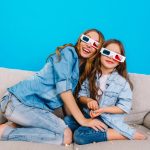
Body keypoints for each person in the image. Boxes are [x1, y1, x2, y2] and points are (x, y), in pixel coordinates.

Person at [0, 29, 108, 145]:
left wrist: (72, 123)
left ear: (98, 51)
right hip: (17, 102)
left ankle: (15, 125)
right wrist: (83, 121)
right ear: (80, 40)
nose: (89, 45)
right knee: (65, 135)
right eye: (86, 39)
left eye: (95, 44)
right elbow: (64, 92)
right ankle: (4, 132)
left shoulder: (79, 70)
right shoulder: (68, 53)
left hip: (32, 109)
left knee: (66, 132)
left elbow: (67, 100)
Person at [64, 39, 147, 145]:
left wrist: (103, 110)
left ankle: (120, 133)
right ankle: (93, 130)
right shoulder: (90, 77)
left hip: (108, 120)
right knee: (67, 120)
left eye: (116, 56)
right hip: (89, 116)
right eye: (107, 53)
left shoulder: (122, 83)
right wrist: (88, 100)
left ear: (120, 61)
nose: (111, 58)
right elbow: (81, 95)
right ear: (100, 54)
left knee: (80, 136)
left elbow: (123, 107)